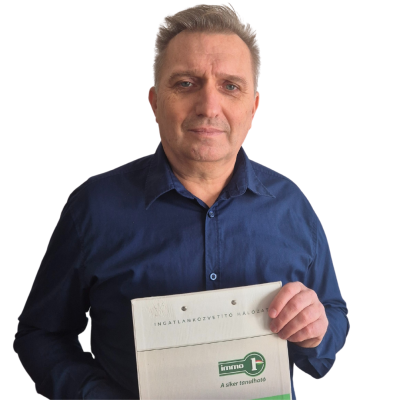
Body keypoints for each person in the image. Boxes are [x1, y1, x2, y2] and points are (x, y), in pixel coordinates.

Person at [13, 3, 349, 399]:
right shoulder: (93, 208)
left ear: (254, 107)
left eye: (230, 86)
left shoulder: (292, 206)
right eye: (186, 83)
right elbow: (40, 335)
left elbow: (332, 320)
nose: (208, 107)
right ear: (155, 101)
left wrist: (317, 330)